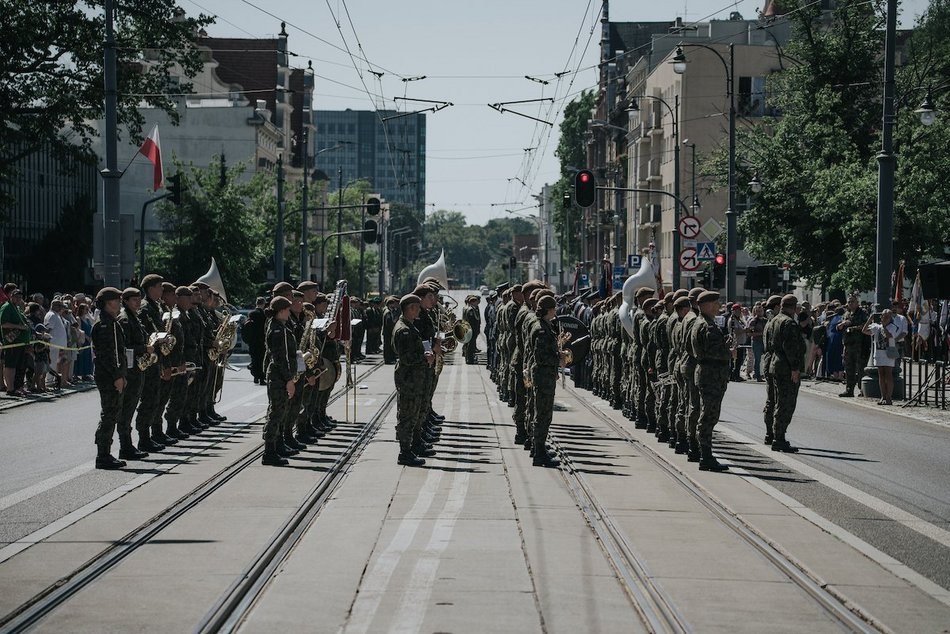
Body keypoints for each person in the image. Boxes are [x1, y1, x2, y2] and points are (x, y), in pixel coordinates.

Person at [690, 290, 730, 472]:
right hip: (711, 375)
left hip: (706, 373)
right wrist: (729, 352)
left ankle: (704, 453)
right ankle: (705, 456)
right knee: (709, 416)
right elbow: (715, 352)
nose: (718, 306)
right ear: (705, 305)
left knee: (706, 414)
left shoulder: (700, 323)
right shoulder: (708, 326)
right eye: (715, 303)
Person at [392, 294, 433, 467]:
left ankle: (412, 446)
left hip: (414, 379)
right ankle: (405, 452)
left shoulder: (410, 326)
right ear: (409, 308)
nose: (419, 310)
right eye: (416, 307)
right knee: (407, 416)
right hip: (409, 380)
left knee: (413, 414)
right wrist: (425, 357)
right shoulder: (404, 330)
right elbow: (407, 357)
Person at [91, 287, 130, 470]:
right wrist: (117, 376)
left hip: (112, 375)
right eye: (117, 299)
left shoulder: (111, 322)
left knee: (112, 412)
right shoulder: (105, 324)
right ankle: (103, 455)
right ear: (108, 302)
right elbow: (108, 355)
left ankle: (105, 453)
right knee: (109, 413)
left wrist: (122, 374)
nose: (120, 303)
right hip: (108, 377)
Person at [116, 288, 152, 460]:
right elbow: (125, 347)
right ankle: (125, 446)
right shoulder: (125, 319)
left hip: (137, 369)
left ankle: (128, 445)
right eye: (134, 299)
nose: (138, 302)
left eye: (139, 299)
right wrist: (144, 348)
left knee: (130, 408)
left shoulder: (134, 318)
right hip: (130, 371)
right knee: (126, 410)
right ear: (125, 301)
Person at [528, 294, 562, 467]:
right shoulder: (541, 328)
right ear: (549, 309)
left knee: (542, 414)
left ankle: (538, 449)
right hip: (543, 377)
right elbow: (541, 357)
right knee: (543, 415)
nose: (555, 311)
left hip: (545, 376)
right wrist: (559, 359)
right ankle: (539, 454)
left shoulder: (545, 325)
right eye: (554, 308)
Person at [262, 296, 295, 466]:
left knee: (277, 411)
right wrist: (289, 379)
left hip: (278, 376)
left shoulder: (280, 327)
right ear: (281, 311)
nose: (289, 313)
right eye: (288, 310)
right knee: (276, 413)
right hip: (278, 378)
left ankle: (273, 447)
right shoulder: (277, 329)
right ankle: (269, 452)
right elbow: (280, 358)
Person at [769, 295, 805, 452]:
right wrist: (795, 368)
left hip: (776, 364)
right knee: (786, 403)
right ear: (793, 307)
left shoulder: (775, 320)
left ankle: (777, 435)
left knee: (779, 402)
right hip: (786, 367)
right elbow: (790, 348)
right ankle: (779, 437)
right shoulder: (789, 323)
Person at [863, 310, 900, 405]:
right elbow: (864, 331)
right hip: (879, 353)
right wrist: (870, 319)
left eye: (887, 317)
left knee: (888, 375)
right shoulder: (876, 327)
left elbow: (889, 336)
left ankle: (888, 397)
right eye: (883, 316)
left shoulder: (893, 327)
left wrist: (884, 326)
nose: (884, 318)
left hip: (888, 353)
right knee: (881, 375)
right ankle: (883, 396)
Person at [837, 295, 869, 397]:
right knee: (849, 368)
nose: (850, 303)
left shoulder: (862, 313)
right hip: (848, 345)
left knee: (860, 368)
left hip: (859, 345)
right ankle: (849, 389)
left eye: (853, 301)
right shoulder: (846, 314)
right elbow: (839, 327)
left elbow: (866, 325)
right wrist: (841, 325)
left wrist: (853, 327)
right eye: (849, 302)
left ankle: (862, 390)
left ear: (857, 302)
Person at [1, 288, 30, 396]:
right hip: (12, 342)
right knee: (10, 365)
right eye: (16, 296)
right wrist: (20, 327)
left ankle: (18, 387)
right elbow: (4, 324)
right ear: (11, 296)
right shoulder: (7, 307)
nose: (18, 299)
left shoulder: (16, 307)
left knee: (19, 366)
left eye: (20, 297)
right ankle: (10, 389)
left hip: (20, 342)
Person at [243, 297, 267, 384]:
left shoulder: (251, 313)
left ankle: (255, 377)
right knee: (261, 360)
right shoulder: (264, 314)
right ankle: (261, 378)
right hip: (261, 341)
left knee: (254, 359)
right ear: (263, 304)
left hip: (252, 341)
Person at [747, 304, 767, 381]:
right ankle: (757, 375)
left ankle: (765, 374)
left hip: (765, 341)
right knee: (757, 359)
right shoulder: (753, 321)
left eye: (761, 311)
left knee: (766, 359)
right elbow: (749, 333)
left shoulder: (766, 320)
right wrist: (761, 333)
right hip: (757, 342)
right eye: (758, 311)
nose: (760, 312)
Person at [462, 295, 481, 364]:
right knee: (470, 345)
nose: (477, 303)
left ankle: (469, 358)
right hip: (471, 329)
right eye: (476, 302)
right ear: (473, 302)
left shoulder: (472, 309)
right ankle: (470, 359)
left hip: (472, 329)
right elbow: (471, 321)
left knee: (471, 345)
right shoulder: (470, 310)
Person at [381, 296, 399, 364]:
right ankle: (388, 359)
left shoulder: (391, 311)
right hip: (388, 332)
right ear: (389, 304)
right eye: (393, 303)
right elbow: (388, 323)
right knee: (387, 346)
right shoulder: (387, 312)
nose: (394, 305)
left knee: (390, 346)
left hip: (390, 331)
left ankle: (391, 358)